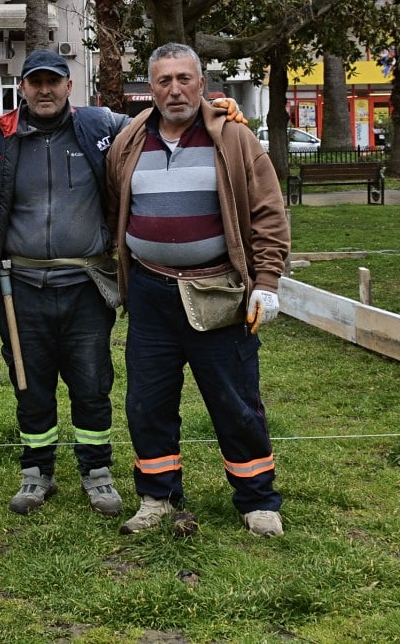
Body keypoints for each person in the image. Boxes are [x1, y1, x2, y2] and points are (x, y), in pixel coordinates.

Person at [105, 42, 289, 538]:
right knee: (148, 402)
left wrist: (266, 282)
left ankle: (257, 500)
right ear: (151, 87)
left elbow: (269, 213)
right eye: (164, 80)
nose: (175, 89)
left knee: (235, 401)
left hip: (218, 293)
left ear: (202, 84)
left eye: (184, 78)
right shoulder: (128, 141)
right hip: (148, 292)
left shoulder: (233, 139)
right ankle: (157, 496)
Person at [0, 48, 131, 518]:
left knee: (91, 382)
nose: (45, 90)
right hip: (18, 286)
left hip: (85, 283)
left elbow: (159, 122)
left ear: (68, 85)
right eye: (35, 82)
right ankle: (36, 472)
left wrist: (216, 109)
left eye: (54, 81)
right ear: (21, 87)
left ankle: (97, 473)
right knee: (30, 383)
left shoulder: (100, 127)